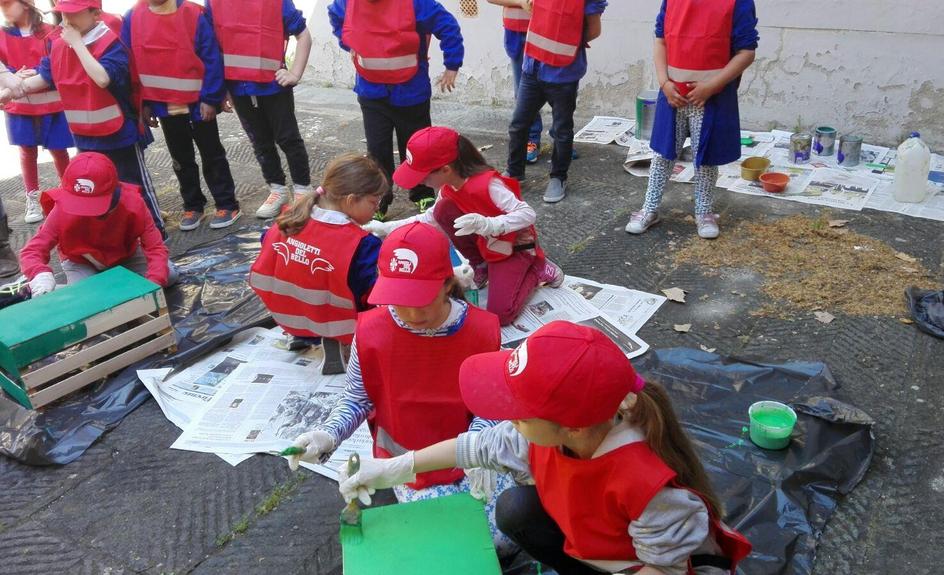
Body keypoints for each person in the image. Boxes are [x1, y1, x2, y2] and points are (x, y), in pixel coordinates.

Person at [338, 321, 752, 574]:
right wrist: (395, 468)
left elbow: (664, 568)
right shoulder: (550, 435)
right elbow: (476, 447)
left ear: (569, 427)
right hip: (598, 549)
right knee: (514, 508)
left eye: (517, 413)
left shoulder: (650, 489)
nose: (507, 421)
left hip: (643, 567)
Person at [284, 221, 518, 557]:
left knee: (502, 540)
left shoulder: (481, 331)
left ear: (447, 283)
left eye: (420, 300)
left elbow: (491, 407)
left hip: (470, 459)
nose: (410, 313)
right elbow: (356, 397)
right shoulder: (371, 332)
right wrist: (328, 435)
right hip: (407, 469)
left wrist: (478, 453)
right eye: (398, 300)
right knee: (451, 546)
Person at [1, 0, 168, 239]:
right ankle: (125, 240)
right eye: (63, 15)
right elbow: (44, 77)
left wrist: (78, 44)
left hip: (119, 134)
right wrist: (11, 92)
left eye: (74, 14)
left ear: (95, 13)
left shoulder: (109, 42)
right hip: (85, 136)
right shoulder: (60, 44)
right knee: (101, 193)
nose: (67, 21)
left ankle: (158, 237)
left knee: (135, 189)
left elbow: (102, 78)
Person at [365, 126, 563, 326]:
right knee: (443, 210)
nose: (421, 182)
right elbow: (430, 219)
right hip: (488, 245)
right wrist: (387, 228)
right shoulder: (448, 187)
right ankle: (481, 265)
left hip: (514, 248)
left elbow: (528, 214)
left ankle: (538, 270)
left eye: (424, 177)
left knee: (500, 316)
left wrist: (490, 224)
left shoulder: (489, 185)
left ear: (445, 169)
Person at [625, 0, 758, 239]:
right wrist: (664, 82)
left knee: (705, 157)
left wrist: (712, 86)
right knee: (663, 154)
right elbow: (661, 39)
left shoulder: (738, 2)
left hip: (711, 98)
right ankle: (649, 208)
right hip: (673, 95)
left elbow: (746, 51)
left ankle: (704, 212)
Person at [249, 154, 387, 375]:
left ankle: (301, 335)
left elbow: (267, 251)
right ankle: (337, 343)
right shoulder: (362, 244)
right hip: (336, 325)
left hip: (286, 315)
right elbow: (371, 293)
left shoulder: (289, 219)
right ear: (351, 200)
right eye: (374, 202)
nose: (376, 208)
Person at [328, 0, 464, 216]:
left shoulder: (415, 3)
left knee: (417, 147)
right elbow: (335, 16)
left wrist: (452, 65)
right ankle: (378, 197)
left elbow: (447, 25)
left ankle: (422, 193)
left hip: (411, 92)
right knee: (377, 150)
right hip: (371, 91)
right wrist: (349, 42)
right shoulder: (348, 3)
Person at [122, 0, 241, 231]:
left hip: (198, 102)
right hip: (165, 105)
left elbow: (211, 58)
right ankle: (193, 205)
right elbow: (132, 64)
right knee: (180, 158)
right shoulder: (133, 16)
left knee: (212, 153)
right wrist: (145, 103)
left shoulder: (193, 13)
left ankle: (227, 203)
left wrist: (210, 98)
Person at [205, 0, 312, 220]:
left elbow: (303, 35)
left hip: (273, 86)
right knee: (260, 142)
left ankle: (302, 191)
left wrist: (295, 73)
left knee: (289, 139)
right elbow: (214, 46)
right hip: (238, 88)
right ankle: (278, 190)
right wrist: (221, 89)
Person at [20, 152, 175, 297]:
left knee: (169, 275)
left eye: (94, 206)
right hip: (81, 261)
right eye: (80, 204)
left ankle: (107, 286)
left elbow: (155, 247)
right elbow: (32, 250)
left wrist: (153, 284)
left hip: (125, 256)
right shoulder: (62, 209)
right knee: (87, 300)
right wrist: (39, 273)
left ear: (113, 192)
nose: (88, 212)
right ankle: (58, 292)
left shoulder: (133, 203)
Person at [505, 0, 606, 204]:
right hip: (532, 66)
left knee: (562, 129)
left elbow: (594, 30)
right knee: (518, 124)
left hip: (563, 73)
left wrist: (565, 40)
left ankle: (558, 177)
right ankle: (514, 173)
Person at [0, 0, 72, 225]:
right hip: (19, 105)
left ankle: (69, 190)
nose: (3, 9)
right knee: (27, 149)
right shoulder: (2, 35)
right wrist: (12, 74)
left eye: (7, 4)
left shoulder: (50, 32)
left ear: (26, 5)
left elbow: (57, 62)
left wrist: (37, 74)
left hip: (51, 102)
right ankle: (33, 195)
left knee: (59, 149)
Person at [487, 0, 542, 164]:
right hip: (516, 33)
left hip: (546, 31)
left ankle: (562, 140)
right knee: (523, 93)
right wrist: (520, 2)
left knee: (557, 89)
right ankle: (531, 139)